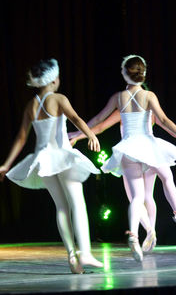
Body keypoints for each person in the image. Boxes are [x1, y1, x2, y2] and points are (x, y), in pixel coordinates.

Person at [68, 55, 176, 262]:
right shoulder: (148, 97)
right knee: (164, 179)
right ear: (144, 73)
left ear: (124, 73)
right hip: (149, 148)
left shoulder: (119, 99)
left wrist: (77, 135)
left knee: (138, 197)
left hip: (129, 149)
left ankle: (137, 234)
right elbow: (164, 121)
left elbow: (98, 122)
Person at [0, 58, 104, 274]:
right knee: (77, 202)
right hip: (61, 156)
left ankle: (72, 258)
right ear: (54, 79)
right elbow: (75, 118)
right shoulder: (58, 98)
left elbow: (21, 137)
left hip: (42, 160)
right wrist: (91, 134)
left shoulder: (31, 105)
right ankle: (84, 251)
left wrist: (6, 164)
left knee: (61, 207)